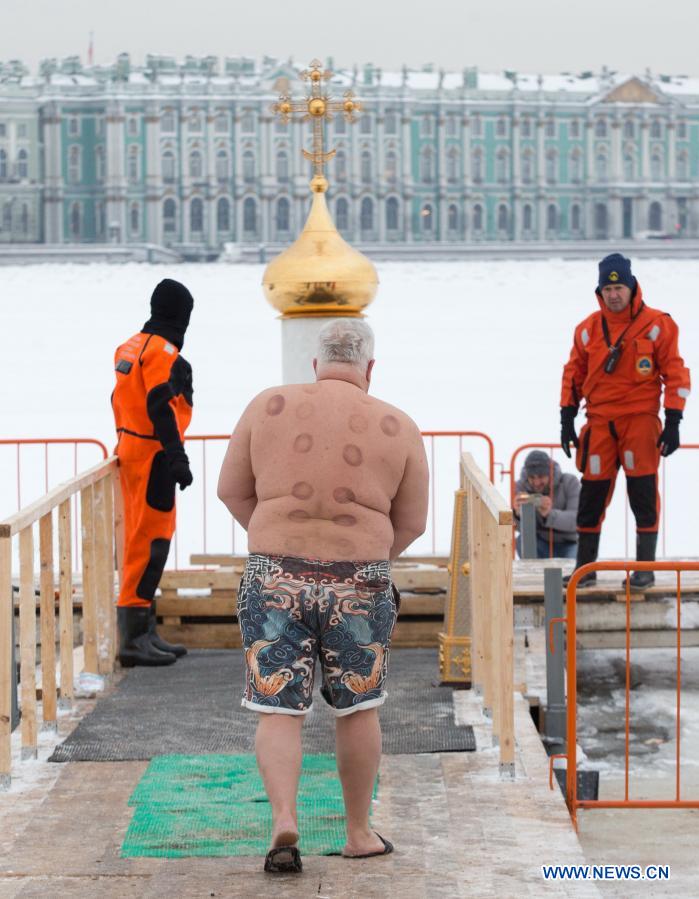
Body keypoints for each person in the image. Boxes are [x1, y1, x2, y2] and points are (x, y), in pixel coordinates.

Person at [217, 318, 429, 874]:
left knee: (277, 707)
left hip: (274, 573)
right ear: (369, 368)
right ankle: (358, 832)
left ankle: (284, 822)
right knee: (357, 707)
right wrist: (365, 555)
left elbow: (230, 490)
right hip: (358, 579)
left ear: (316, 363)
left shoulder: (267, 406)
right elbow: (412, 522)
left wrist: (275, 545)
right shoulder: (398, 425)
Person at [560, 254, 690, 588]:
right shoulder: (587, 329)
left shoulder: (658, 324)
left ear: (632, 288)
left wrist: (674, 419)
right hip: (599, 424)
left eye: (619, 287)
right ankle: (584, 570)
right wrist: (566, 416)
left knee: (643, 497)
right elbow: (572, 374)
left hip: (640, 423)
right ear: (599, 292)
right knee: (591, 498)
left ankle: (644, 569)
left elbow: (676, 374)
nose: (614, 294)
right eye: (608, 288)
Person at [112, 279, 195, 666]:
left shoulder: (129, 345)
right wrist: (177, 457)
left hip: (130, 449)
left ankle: (143, 628)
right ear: (181, 314)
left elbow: (119, 399)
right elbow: (160, 406)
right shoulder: (162, 353)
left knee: (138, 540)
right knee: (151, 543)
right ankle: (133, 637)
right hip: (154, 455)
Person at [513, 450, 579, 559]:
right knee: (521, 540)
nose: (537, 482)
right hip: (541, 543)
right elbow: (512, 526)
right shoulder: (521, 487)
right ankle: (533, 574)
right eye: (532, 477)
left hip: (570, 544)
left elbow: (577, 521)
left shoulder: (570, 482)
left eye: (541, 476)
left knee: (575, 569)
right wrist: (517, 515)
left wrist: (549, 515)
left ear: (550, 473)